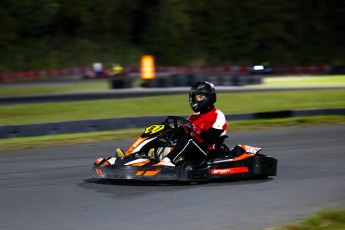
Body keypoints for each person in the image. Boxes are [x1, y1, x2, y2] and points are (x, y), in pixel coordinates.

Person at [157, 81, 228, 167]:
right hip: (194, 150)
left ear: (209, 97)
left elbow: (212, 138)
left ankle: (168, 161)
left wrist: (194, 128)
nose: (197, 100)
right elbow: (181, 131)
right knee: (164, 138)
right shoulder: (193, 117)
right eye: (195, 97)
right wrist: (167, 133)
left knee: (188, 138)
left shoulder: (218, 115)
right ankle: (143, 156)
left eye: (200, 97)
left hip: (209, 153)